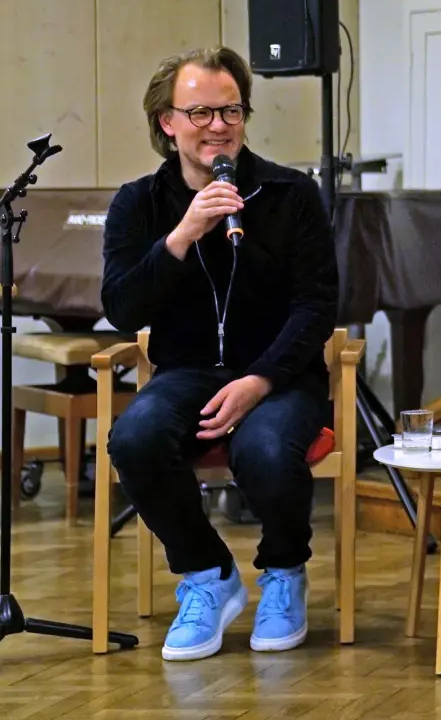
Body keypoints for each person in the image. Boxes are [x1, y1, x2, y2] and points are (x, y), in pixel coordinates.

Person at [101, 46, 338, 662]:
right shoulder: (139, 204)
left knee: (263, 447)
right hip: (187, 372)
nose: (218, 126)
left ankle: (284, 571)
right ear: (167, 122)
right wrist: (182, 235)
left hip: (283, 375)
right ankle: (207, 575)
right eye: (200, 112)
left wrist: (260, 379)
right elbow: (123, 310)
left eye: (230, 110)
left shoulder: (290, 194)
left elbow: (316, 307)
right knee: (134, 439)